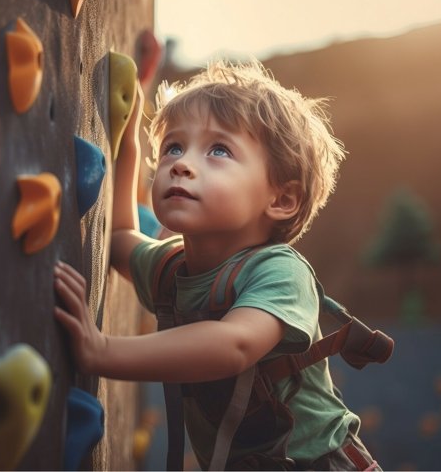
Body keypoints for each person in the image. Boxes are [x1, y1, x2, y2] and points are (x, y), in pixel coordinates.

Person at [54, 60, 379, 470]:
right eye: (173, 146)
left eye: (219, 150)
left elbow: (233, 345)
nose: (181, 163)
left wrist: (101, 351)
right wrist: (128, 146)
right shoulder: (174, 267)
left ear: (281, 200)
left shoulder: (281, 271)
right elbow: (119, 240)